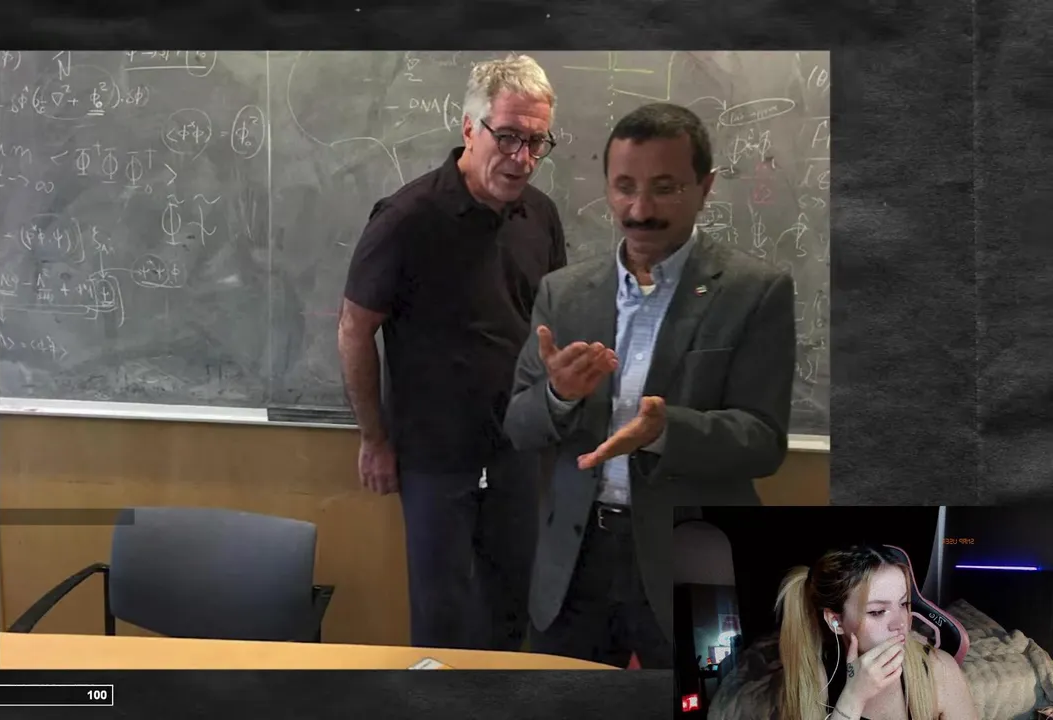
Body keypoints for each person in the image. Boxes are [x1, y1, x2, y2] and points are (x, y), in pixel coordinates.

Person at [503, 102, 798, 668]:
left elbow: (764, 441)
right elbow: (518, 425)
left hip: (688, 557)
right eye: (625, 188)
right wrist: (558, 396)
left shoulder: (755, 292)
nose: (640, 210)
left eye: (665, 188)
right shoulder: (564, 292)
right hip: (575, 563)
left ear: (705, 187)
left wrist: (666, 431)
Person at [337, 54, 566, 651]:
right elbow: (355, 329)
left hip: (517, 450)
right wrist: (374, 439)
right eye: (508, 137)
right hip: (433, 456)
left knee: (513, 611)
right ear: (469, 127)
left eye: (536, 142)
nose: (522, 158)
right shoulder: (406, 219)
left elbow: (549, 323)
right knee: (441, 619)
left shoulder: (541, 216)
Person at [775, 545, 978, 719]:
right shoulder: (815, 680)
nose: (901, 623)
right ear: (836, 621)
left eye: (903, 604)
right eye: (877, 611)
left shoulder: (939, 671)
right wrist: (852, 698)